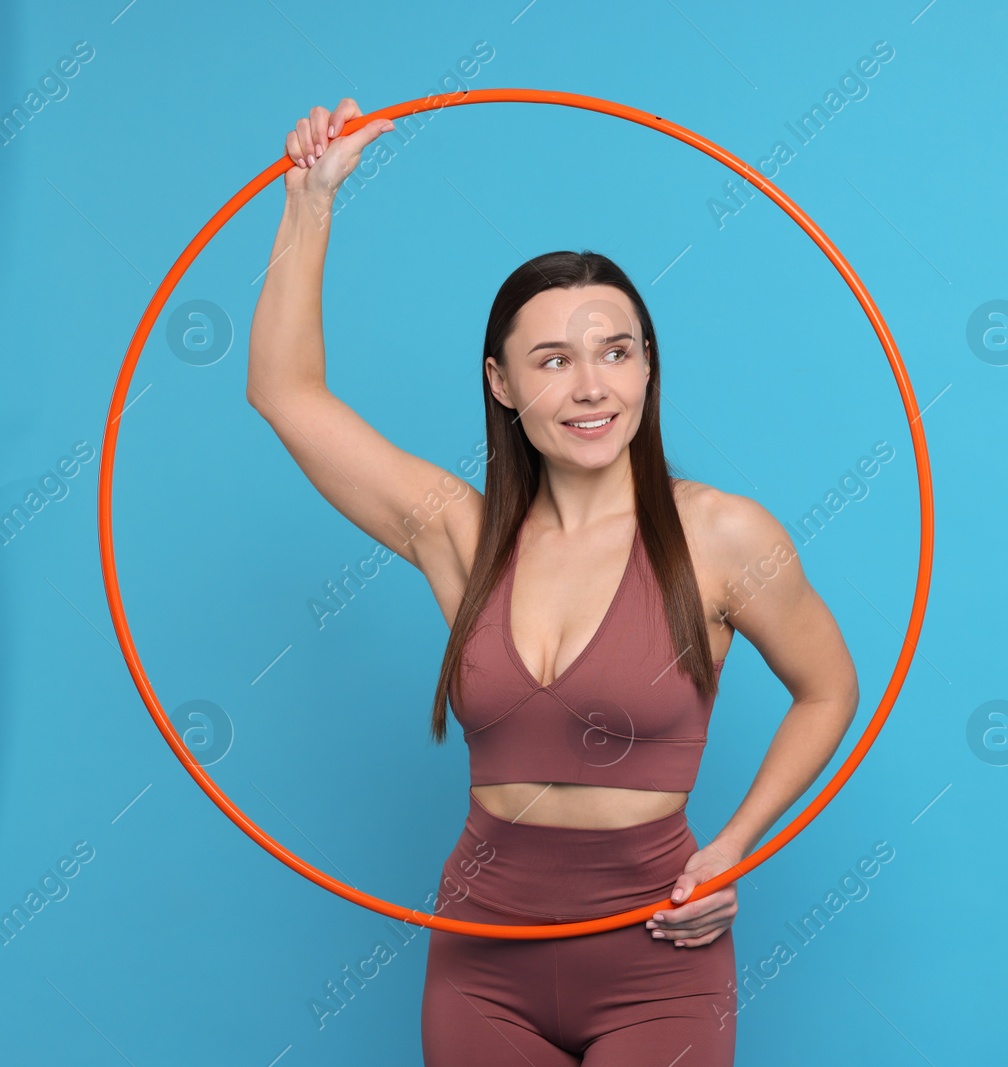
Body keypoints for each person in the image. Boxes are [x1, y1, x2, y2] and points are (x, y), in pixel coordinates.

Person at [249, 98, 860, 1065]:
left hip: (661, 948)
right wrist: (309, 201)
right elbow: (286, 394)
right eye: (554, 359)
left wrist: (737, 841)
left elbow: (829, 689)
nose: (591, 387)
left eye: (617, 352)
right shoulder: (456, 531)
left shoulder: (723, 534)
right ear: (502, 383)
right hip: (484, 954)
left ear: (648, 370)